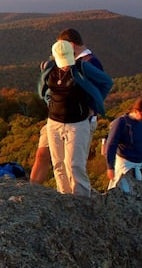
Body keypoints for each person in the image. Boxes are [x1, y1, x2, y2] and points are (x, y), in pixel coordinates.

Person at [36, 39, 114, 196]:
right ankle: (64, 197)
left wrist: (93, 104)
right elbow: (42, 88)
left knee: (74, 165)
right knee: (58, 164)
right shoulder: (50, 69)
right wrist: (49, 101)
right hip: (54, 123)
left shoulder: (82, 67)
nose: (66, 64)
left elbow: (107, 82)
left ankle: (82, 199)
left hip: (77, 124)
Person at [105, 98, 142, 193]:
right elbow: (111, 145)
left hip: (140, 164)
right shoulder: (121, 122)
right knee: (121, 193)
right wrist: (110, 167)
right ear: (135, 111)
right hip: (125, 164)